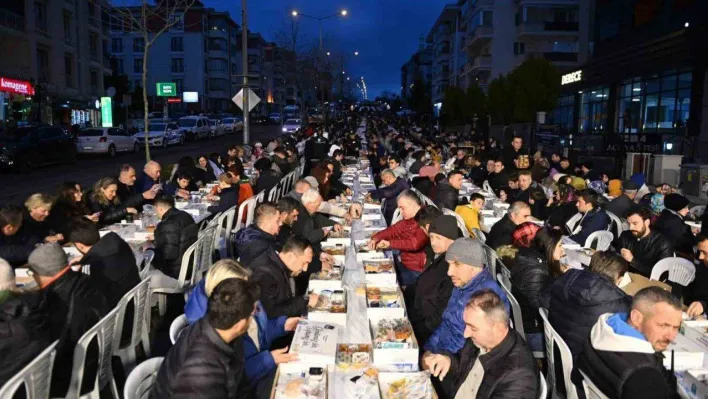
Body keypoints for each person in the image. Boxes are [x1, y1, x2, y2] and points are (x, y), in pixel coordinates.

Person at [183, 260, 301, 399]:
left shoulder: (240, 306)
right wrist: (267, 360)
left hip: (260, 373)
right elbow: (234, 379)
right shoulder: (213, 333)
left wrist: (283, 325)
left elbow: (259, 332)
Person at [151, 278, 258, 398]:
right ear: (239, 324)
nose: (254, 317)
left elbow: (240, 381)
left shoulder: (216, 324)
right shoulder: (201, 375)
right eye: (254, 313)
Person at [27, 243, 109, 397]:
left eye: (32, 272)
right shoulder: (84, 281)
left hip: (68, 373)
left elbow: (52, 347)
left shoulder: (57, 302)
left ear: (41, 272)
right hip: (92, 357)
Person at [424, 290, 539, 399]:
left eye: (473, 328)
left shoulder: (519, 377)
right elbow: (463, 362)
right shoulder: (483, 339)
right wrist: (448, 361)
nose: (466, 334)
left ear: (498, 329)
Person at [577, 287, 681, 399]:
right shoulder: (644, 376)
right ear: (636, 318)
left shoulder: (602, 329)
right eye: (663, 326)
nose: (671, 337)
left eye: (676, 328)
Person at [423, 237, 509, 355]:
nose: (449, 272)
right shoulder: (462, 286)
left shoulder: (487, 298)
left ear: (474, 266)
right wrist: (428, 349)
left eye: (457, 264)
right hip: (442, 354)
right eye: (449, 265)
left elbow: (472, 351)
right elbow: (446, 323)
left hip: (457, 363)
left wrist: (442, 360)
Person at [541, 250, 631, 359]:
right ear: (619, 279)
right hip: (584, 366)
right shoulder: (620, 305)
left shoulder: (566, 278)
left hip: (557, 354)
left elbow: (544, 301)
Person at [407, 215, 459, 345]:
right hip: (413, 315)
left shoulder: (454, 270)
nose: (433, 242)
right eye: (431, 237)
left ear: (452, 240)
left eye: (438, 238)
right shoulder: (442, 258)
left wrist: (413, 331)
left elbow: (440, 316)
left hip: (425, 332)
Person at [68, 219, 140, 307]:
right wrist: (86, 258)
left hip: (115, 311)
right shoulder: (117, 242)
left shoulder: (92, 266)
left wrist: (83, 265)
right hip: (135, 298)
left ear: (79, 245)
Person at [369, 190, 429, 285]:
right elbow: (394, 229)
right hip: (405, 263)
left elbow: (414, 244)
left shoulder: (425, 219)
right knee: (374, 268)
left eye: (402, 208)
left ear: (413, 204)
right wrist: (375, 238)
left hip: (416, 271)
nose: (400, 212)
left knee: (379, 280)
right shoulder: (410, 218)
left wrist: (390, 243)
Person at [249, 236, 318, 318]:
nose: (305, 269)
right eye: (304, 263)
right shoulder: (266, 275)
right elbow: (270, 312)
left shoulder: (279, 264)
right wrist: (305, 301)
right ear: (290, 256)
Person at [508, 225, 552, 351]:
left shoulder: (525, 258)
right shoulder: (536, 271)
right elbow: (541, 308)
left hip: (525, 325)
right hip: (535, 334)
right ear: (549, 247)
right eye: (560, 246)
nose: (563, 251)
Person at [615, 207, 673, 277]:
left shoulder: (663, 244)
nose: (631, 228)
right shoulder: (625, 235)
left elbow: (661, 275)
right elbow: (616, 259)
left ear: (647, 222)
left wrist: (633, 261)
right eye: (629, 223)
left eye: (635, 223)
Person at [151, 197, 199, 281]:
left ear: (159, 209)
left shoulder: (167, 223)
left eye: (155, 211)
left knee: (145, 263)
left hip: (176, 272)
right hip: (192, 265)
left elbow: (168, 255)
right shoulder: (185, 215)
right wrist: (158, 235)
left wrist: (149, 250)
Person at [685, 235, 708, 317]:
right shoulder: (701, 269)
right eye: (699, 252)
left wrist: (704, 305)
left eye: (705, 253)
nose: (700, 257)